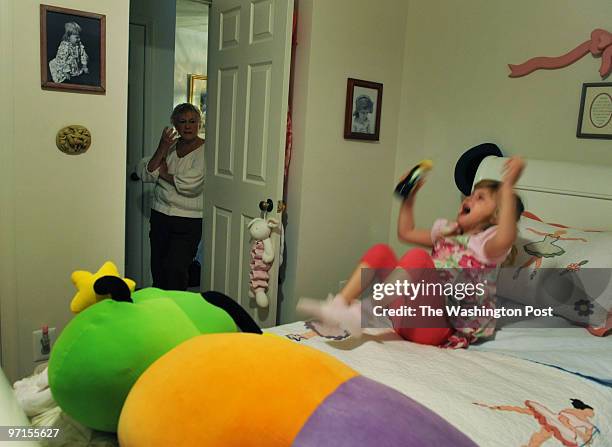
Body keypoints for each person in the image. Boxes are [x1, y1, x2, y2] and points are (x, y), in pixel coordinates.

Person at [300, 157, 525, 349]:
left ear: (497, 215)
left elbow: (506, 236)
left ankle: (364, 313)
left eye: (480, 198)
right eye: (471, 194)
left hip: (437, 328)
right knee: (382, 251)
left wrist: (507, 188)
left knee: (418, 258)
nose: (469, 199)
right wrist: (409, 199)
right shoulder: (448, 233)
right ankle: (339, 306)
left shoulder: (488, 246)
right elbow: (405, 233)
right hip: (406, 318)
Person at [138, 103, 205, 290]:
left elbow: (191, 185)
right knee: (158, 268)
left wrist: (164, 174)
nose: (188, 126)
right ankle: (158, 310)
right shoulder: (170, 146)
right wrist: (162, 146)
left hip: (188, 220)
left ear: (199, 123)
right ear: (174, 124)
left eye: (192, 121)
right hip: (160, 215)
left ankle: (175, 311)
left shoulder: (205, 151)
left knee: (176, 269)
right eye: (182, 122)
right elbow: (146, 172)